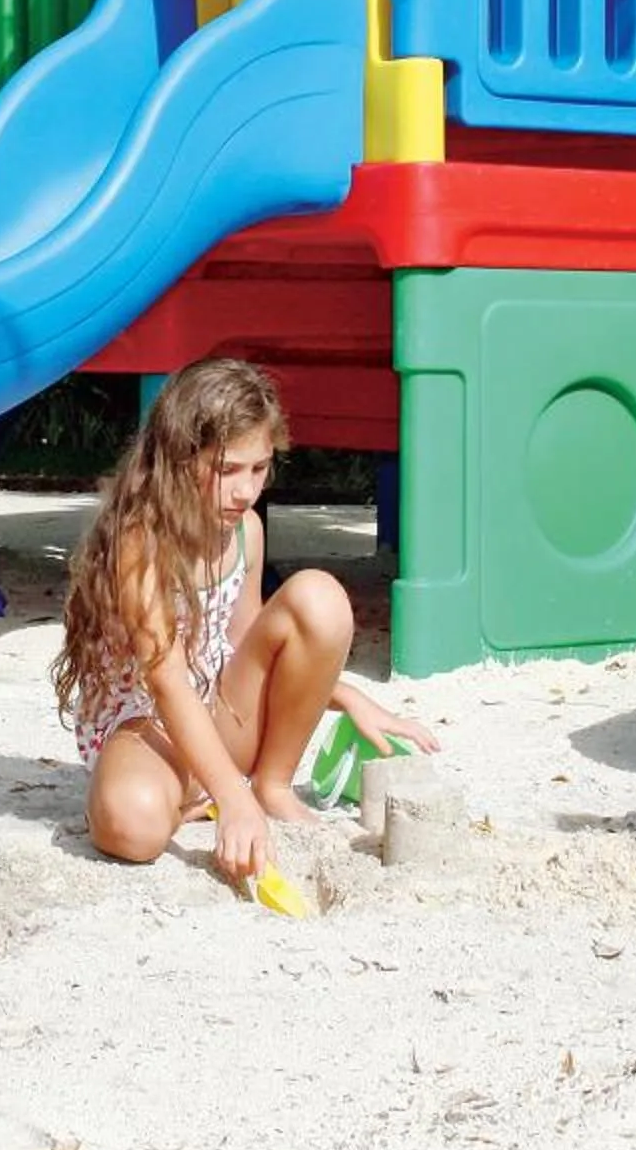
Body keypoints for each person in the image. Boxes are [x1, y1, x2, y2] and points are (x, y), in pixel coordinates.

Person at [52, 358, 436, 882]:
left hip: (216, 714)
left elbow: (250, 650)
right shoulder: (139, 541)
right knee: (132, 829)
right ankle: (205, 790)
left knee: (318, 597)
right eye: (227, 469)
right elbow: (165, 683)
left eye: (259, 468)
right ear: (180, 460)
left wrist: (343, 694)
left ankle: (271, 786)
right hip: (144, 727)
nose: (245, 490)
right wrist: (232, 800)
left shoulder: (245, 532)